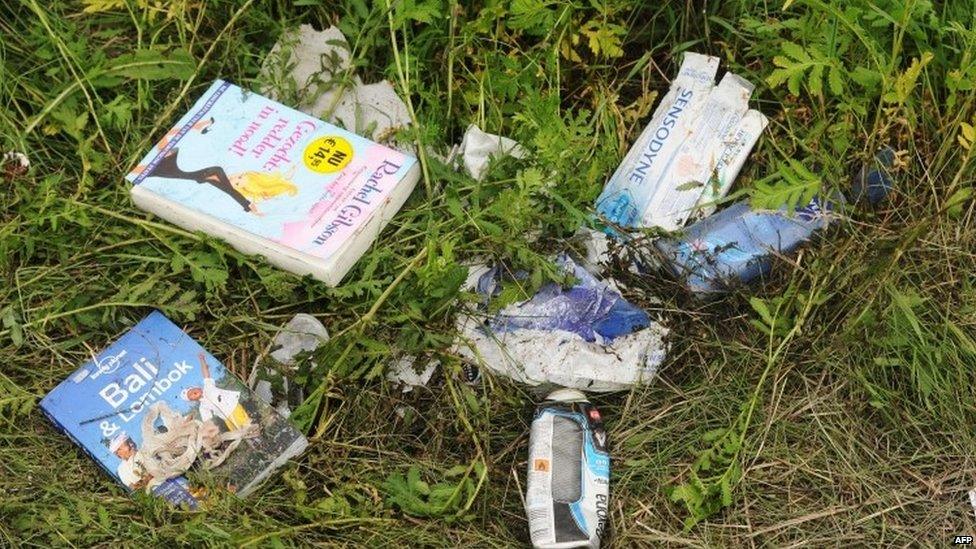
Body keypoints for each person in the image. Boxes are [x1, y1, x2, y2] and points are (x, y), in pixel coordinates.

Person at [181, 353, 252, 431]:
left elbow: (205, 373)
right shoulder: (203, 407)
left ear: (198, 388)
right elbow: (207, 421)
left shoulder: (208, 386)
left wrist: (202, 360)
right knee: (238, 433)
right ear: (192, 400)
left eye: (193, 390)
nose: (193, 392)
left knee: (246, 427)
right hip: (227, 418)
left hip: (233, 408)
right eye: (190, 395)